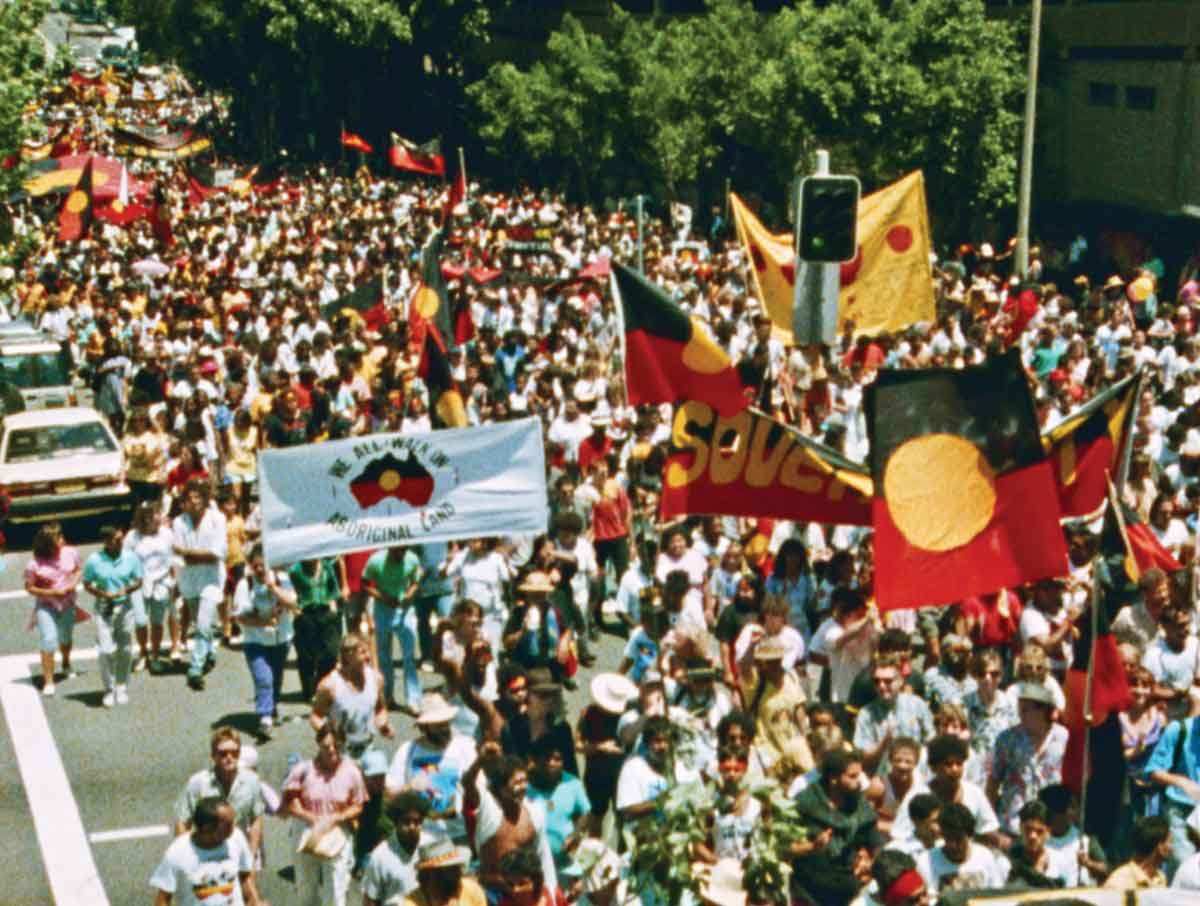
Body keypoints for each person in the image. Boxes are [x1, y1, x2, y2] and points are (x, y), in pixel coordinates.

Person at [282, 723, 368, 906]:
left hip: (338, 830)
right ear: (318, 744)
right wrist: (313, 819)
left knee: (336, 890)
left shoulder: (352, 772)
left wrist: (336, 818)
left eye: (337, 745)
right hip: (306, 829)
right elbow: (290, 803)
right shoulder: (303, 770)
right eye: (326, 746)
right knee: (306, 888)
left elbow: (358, 805)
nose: (332, 750)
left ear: (344, 744)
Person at [792, 748, 882, 906]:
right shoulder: (805, 803)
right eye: (852, 776)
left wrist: (874, 862)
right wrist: (813, 846)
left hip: (848, 883)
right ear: (834, 779)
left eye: (859, 775)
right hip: (809, 887)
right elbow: (786, 847)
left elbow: (873, 836)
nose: (859, 781)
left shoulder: (857, 801)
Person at [386, 692, 479, 843]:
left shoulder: (465, 746)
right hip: (423, 836)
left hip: (461, 834)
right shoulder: (407, 751)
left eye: (446, 723)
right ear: (425, 727)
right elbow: (390, 794)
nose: (445, 729)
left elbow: (480, 789)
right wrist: (409, 787)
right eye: (438, 725)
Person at [173, 728, 267, 867]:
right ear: (213, 756)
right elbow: (182, 821)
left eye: (234, 753)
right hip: (206, 854)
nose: (229, 758)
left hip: (239, 851)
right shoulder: (198, 783)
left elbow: (256, 819)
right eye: (223, 754)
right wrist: (185, 857)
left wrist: (251, 854)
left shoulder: (251, 781)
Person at [233, 544, 297, 740]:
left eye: (263, 565)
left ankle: (271, 706)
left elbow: (292, 602)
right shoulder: (245, 585)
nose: (260, 569)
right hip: (256, 642)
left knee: (275, 680)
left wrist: (273, 587)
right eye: (256, 565)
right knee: (264, 679)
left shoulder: (282, 579)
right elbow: (240, 616)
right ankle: (265, 718)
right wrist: (262, 622)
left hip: (281, 640)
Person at [150, 796, 265, 906]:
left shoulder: (236, 838)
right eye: (228, 824)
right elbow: (163, 898)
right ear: (207, 828)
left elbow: (244, 876)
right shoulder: (177, 852)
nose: (234, 826)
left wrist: (254, 901)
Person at [987, 682, 1068, 835]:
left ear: (1043, 710)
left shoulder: (1064, 738)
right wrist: (992, 826)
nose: (1020, 714)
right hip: (1013, 824)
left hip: (1051, 825)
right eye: (1020, 709)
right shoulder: (1007, 739)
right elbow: (993, 782)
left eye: (1025, 710)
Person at [173, 479, 228, 691]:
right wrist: (192, 556)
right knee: (199, 623)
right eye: (189, 498)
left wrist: (187, 553)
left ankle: (195, 668)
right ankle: (210, 652)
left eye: (198, 497)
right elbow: (178, 556)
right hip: (188, 579)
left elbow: (217, 554)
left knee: (205, 623)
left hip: (212, 579)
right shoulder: (179, 523)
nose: (194, 502)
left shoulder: (217, 519)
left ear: (205, 499)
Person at [82, 524, 143, 707]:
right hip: (103, 608)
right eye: (116, 540)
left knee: (125, 648)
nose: (120, 542)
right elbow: (87, 583)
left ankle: (121, 686)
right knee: (105, 650)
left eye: (121, 539)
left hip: (125, 607)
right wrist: (103, 594)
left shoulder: (130, 557)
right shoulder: (94, 560)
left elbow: (138, 580)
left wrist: (126, 589)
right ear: (107, 542)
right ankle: (108, 689)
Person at [310, 633, 393, 762]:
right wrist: (327, 734)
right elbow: (315, 716)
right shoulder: (329, 685)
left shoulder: (376, 679)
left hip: (367, 748)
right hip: (338, 752)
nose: (369, 656)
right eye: (363, 652)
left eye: (368, 651)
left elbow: (380, 709)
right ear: (349, 655)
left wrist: (383, 724)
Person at [362, 545, 423, 714]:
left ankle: (413, 699)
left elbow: (416, 580)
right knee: (383, 655)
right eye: (397, 551)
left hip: (405, 608)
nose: (401, 554)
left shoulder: (412, 558)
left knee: (409, 656)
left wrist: (410, 593)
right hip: (383, 608)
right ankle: (387, 696)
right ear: (390, 549)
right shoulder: (376, 560)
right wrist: (382, 597)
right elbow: (365, 583)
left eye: (403, 550)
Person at [24, 523, 82, 696]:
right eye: (58, 538)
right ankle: (48, 680)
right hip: (46, 606)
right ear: (48, 544)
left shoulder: (71, 553)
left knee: (66, 637)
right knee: (48, 640)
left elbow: (78, 570)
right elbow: (29, 587)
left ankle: (65, 662)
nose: (62, 539)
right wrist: (52, 592)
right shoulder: (34, 564)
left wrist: (73, 583)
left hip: (67, 604)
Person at [525, 738, 591, 871]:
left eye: (557, 759)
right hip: (532, 863)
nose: (552, 763)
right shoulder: (524, 786)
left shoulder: (572, 783)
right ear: (535, 761)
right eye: (547, 758)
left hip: (564, 862)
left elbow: (586, 812)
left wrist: (575, 834)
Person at [125, 501, 177, 671]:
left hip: (161, 582)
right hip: (139, 583)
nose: (152, 518)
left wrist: (174, 583)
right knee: (140, 621)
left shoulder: (167, 534)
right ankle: (142, 653)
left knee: (157, 621)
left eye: (154, 513)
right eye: (147, 514)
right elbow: (126, 561)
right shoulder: (132, 537)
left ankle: (154, 655)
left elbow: (172, 559)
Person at [288, 556, 347, 704]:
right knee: (306, 655)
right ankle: (309, 691)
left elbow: (333, 588)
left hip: (326, 612)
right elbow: (290, 590)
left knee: (331, 652)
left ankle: (323, 687)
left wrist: (333, 606)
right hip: (306, 614)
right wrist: (296, 609)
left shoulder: (327, 566)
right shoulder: (296, 570)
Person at [915, 803, 1005, 896]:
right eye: (948, 838)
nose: (952, 845)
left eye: (958, 839)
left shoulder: (985, 857)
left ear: (969, 835)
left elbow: (997, 896)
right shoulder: (926, 861)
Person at [362, 790, 431, 906]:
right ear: (396, 823)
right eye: (406, 822)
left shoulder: (431, 845)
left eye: (417, 822)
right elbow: (370, 900)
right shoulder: (380, 856)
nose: (412, 827)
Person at [401, 838, 486, 906]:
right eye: (440, 873)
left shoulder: (472, 890)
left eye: (452, 869)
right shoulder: (410, 903)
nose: (449, 877)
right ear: (426, 876)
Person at [1105, 815, 1170, 889]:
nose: (1172, 848)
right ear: (1160, 847)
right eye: (1170, 842)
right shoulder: (1119, 882)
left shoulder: (1160, 879)